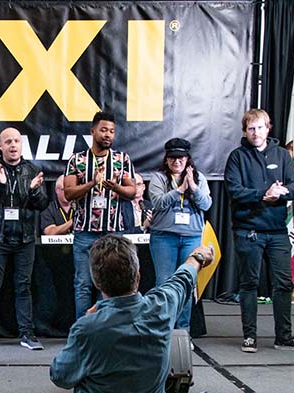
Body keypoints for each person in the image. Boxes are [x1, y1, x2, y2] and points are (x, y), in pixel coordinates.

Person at [50, 235, 214, 392]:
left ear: (96, 282)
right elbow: (183, 277)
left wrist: (87, 323)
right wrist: (198, 256)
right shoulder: (162, 306)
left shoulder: (86, 329)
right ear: (138, 276)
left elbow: (61, 377)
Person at [224, 109, 294, 353]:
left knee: (284, 284)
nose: (256, 133)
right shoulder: (237, 157)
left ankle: (283, 337)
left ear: (268, 128)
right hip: (248, 231)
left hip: (277, 232)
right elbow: (235, 191)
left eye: (260, 127)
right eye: (251, 128)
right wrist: (263, 195)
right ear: (245, 131)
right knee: (249, 283)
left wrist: (282, 192)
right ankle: (249, 336)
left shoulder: (282, 155)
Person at [0, 127, 49, 350]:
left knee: (23, 286)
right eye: (8, 141)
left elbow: (42, 204)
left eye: (16, 141)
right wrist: (0, 186)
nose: (13, 145)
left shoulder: (32, 171)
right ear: (0, 146)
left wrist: (35, 190)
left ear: (21, 145)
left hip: (25, 239)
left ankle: (27, 335)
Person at [63, 111, 136, 320]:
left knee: (112, 285)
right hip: (85, 232)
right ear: (93, 131)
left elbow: (132, 192)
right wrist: (92, 183)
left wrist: (117, 187)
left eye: (112, 131)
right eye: (103, 130)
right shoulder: (77, 160)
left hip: (113, 232)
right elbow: (68, 193)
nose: (108, 135)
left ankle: (106, 328)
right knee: (83, 284)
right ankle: (82, 330)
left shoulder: (122, 159)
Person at [148, 138, 212, 332]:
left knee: (186, 283)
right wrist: (179, 190)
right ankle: (163, 330)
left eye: (181, 158)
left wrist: (192, 187)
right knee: (165, 283)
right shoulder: (158, 178)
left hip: (191, 237)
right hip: (164, 237)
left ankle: (183, 331)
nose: (177, 162)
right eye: (173, 158)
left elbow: (207, 204)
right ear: (166, 160)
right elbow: (158, 203)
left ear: (187, 159)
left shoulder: (199, 178)